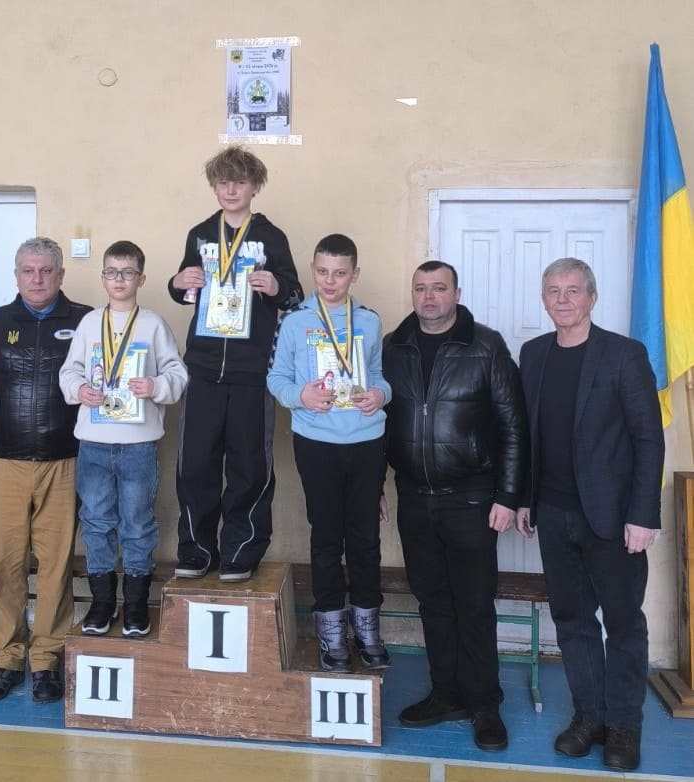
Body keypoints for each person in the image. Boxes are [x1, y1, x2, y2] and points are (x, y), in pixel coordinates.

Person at [517, 258, 663, 772]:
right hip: (554, 514)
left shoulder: (624, 355)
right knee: (572, 621)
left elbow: (648, 439)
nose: (562, 299)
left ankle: (624, 725)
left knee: (623, 624)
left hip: (614, 519)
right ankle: (590, 718)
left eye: (573, 290)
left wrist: (643, 515)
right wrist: (525, 498)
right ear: (544, 298)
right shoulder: (533, 354)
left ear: (592, 298)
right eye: (553, 290)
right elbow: (529, 436)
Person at [382, 260, 528, 752]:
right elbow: (378, 421)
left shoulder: (486, 345)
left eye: (439, 288)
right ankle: (445, 694)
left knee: (474, 605)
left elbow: (513, 425)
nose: (429, 297)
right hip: (413, 498)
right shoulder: (393, 347)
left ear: (456, 293)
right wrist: (376, 484)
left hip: (471, 500)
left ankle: (485, 703)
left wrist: (507, 496)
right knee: (433, 603)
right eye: (420, 288)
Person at [0, 236, 92, 704]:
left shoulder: (86, 321)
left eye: (46, 271)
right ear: (16, 275)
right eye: (28, 271)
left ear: (61, 274)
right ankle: (8, 657)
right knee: (7, 563)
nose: (37, 280)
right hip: (5, 463)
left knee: (56, 566)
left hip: (66, 462)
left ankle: (47, 660)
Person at [168, 145, 303, 582]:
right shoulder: (199, 234)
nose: (231, 190)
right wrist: (178, 282)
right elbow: (184, 290)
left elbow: (295, 295)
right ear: (214, 186)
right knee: (195, 465)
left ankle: (241, 552)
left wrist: (276, 286)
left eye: (240, 182)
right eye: (223, 182)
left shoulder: (272, 237)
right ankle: (196, 551)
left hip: (252, 372)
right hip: (204, 370)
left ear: (255, 187)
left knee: (249, 466)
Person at [268, 234, 390, 672]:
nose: (330, 281)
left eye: (340, 273)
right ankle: (332, 630)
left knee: (364, 538)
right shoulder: (295, 321)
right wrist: (300, 396)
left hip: (366, 441)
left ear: (355, 274)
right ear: (312, 270)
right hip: (316, 441)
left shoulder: (370, 321)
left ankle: (368, 628)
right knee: (325, 537)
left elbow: (379, 375)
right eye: (322, 272)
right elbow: (276, 378)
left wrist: (380, 394)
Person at [59, 240, 187, 637]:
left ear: (141, 279)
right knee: (96, 522)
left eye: (128, 272)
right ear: (102, 277)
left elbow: (178, 375)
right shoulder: (89, 324)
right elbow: (69, 372)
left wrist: (156, 385)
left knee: (137, 523)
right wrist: (79, 390)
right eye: (112, 272)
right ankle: (101, 603)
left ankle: (135, 605)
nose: (119, 279)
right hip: (94, 442)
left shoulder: (153, 324)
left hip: (138, 444)